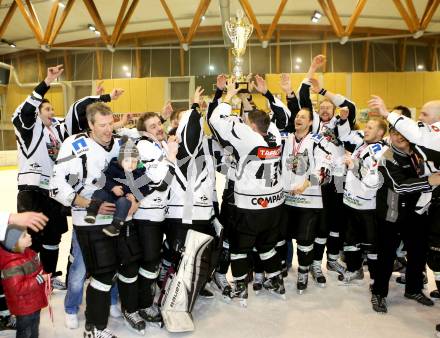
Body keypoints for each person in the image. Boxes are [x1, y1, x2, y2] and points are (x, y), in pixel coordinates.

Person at [50, 102, 144, 337]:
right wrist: (91, 204)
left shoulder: (123, 143)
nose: (108, 129)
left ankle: (124, 308)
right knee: (100, 272)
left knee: (127, 265)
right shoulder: (75, 144)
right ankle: (94, 326)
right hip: (91, 221)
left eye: (110, 123)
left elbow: (141, 176)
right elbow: (56, 186)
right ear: (90, 125)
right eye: (102, 125)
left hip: (121, 218)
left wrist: (136, 200)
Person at [209, 78, 285, 306]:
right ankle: (276, 282)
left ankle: (240, 288)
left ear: (251, 126)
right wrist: (251, 101)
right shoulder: (274, 133)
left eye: (245, 120)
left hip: (250, 206)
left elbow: (215, 120)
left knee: (240, 246)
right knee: (267, 245)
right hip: (273, 205)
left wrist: (227, 96)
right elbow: (261, 118)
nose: (242, 121)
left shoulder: (248, 137)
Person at [372, 126, 440, 313]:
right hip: (391, 211)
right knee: (386, 255)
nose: (400, 137)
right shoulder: (386, 157)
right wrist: (430, 182)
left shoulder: (419, 151)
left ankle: (414, 289)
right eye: (395, 133)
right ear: (390, 135)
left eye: (403, 133)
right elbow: (400, 186)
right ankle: (379, 293)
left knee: (418, 252)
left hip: (417, 211)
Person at [12, 64, 68, 290]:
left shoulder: (55, 132)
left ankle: (50, 275)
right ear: (37, 112)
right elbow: (25, 112)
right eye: (47, 110)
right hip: (32, 192)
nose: (52, 113)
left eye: (53, 110)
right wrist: (46, 82)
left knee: (53, 237)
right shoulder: (29, 129)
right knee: (31, 238)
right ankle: (32, 277)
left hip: (53, 191)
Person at [132, 111, 177, 325]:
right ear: (144, 131)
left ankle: (145, 300)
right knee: (149, 261)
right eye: (153, 126)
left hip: (160, 212)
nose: (159, 128)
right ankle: (142, 304)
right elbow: (162, 181)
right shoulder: (144, 146)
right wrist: (171, 158)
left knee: (153, 260)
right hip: (147, 214)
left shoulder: (160, 145)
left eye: (159, 123)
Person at [337, 116, 388, 284]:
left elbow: (374, 180)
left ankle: (375, 279)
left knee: (372, 245)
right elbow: (346, 135)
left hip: (368, 206)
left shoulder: (380, 151)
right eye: (366, 126)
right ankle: (354, 269)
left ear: (380, 133)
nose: (366, 130)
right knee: (351, 240)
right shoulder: (363, 145)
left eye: (371, 128)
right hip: (350, 202)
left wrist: (353, 165)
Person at [85, 136, 151, 237]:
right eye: (127, 161)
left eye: (134, 161)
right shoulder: (114, 168)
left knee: (124, 203)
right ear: (121, 160)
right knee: (99, 193)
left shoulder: (139, 174)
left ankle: (115, 226)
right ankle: (92, 211)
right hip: (110, 195)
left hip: (123, 199)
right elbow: (103, 179)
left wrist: (135, 197)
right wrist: (112, 187)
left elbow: (145, 189)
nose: (131, 164)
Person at [0, 226, 49, 338]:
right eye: (24, 236)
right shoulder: (11, 265)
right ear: (14, 244)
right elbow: (17, 288)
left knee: (34, 327)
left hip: (34, 301)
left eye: (27, 233)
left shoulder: (29, 252)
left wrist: (45, 279)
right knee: (25, 331)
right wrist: (39, 280)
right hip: (24, 307)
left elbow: (38, 269)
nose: (29, 235)